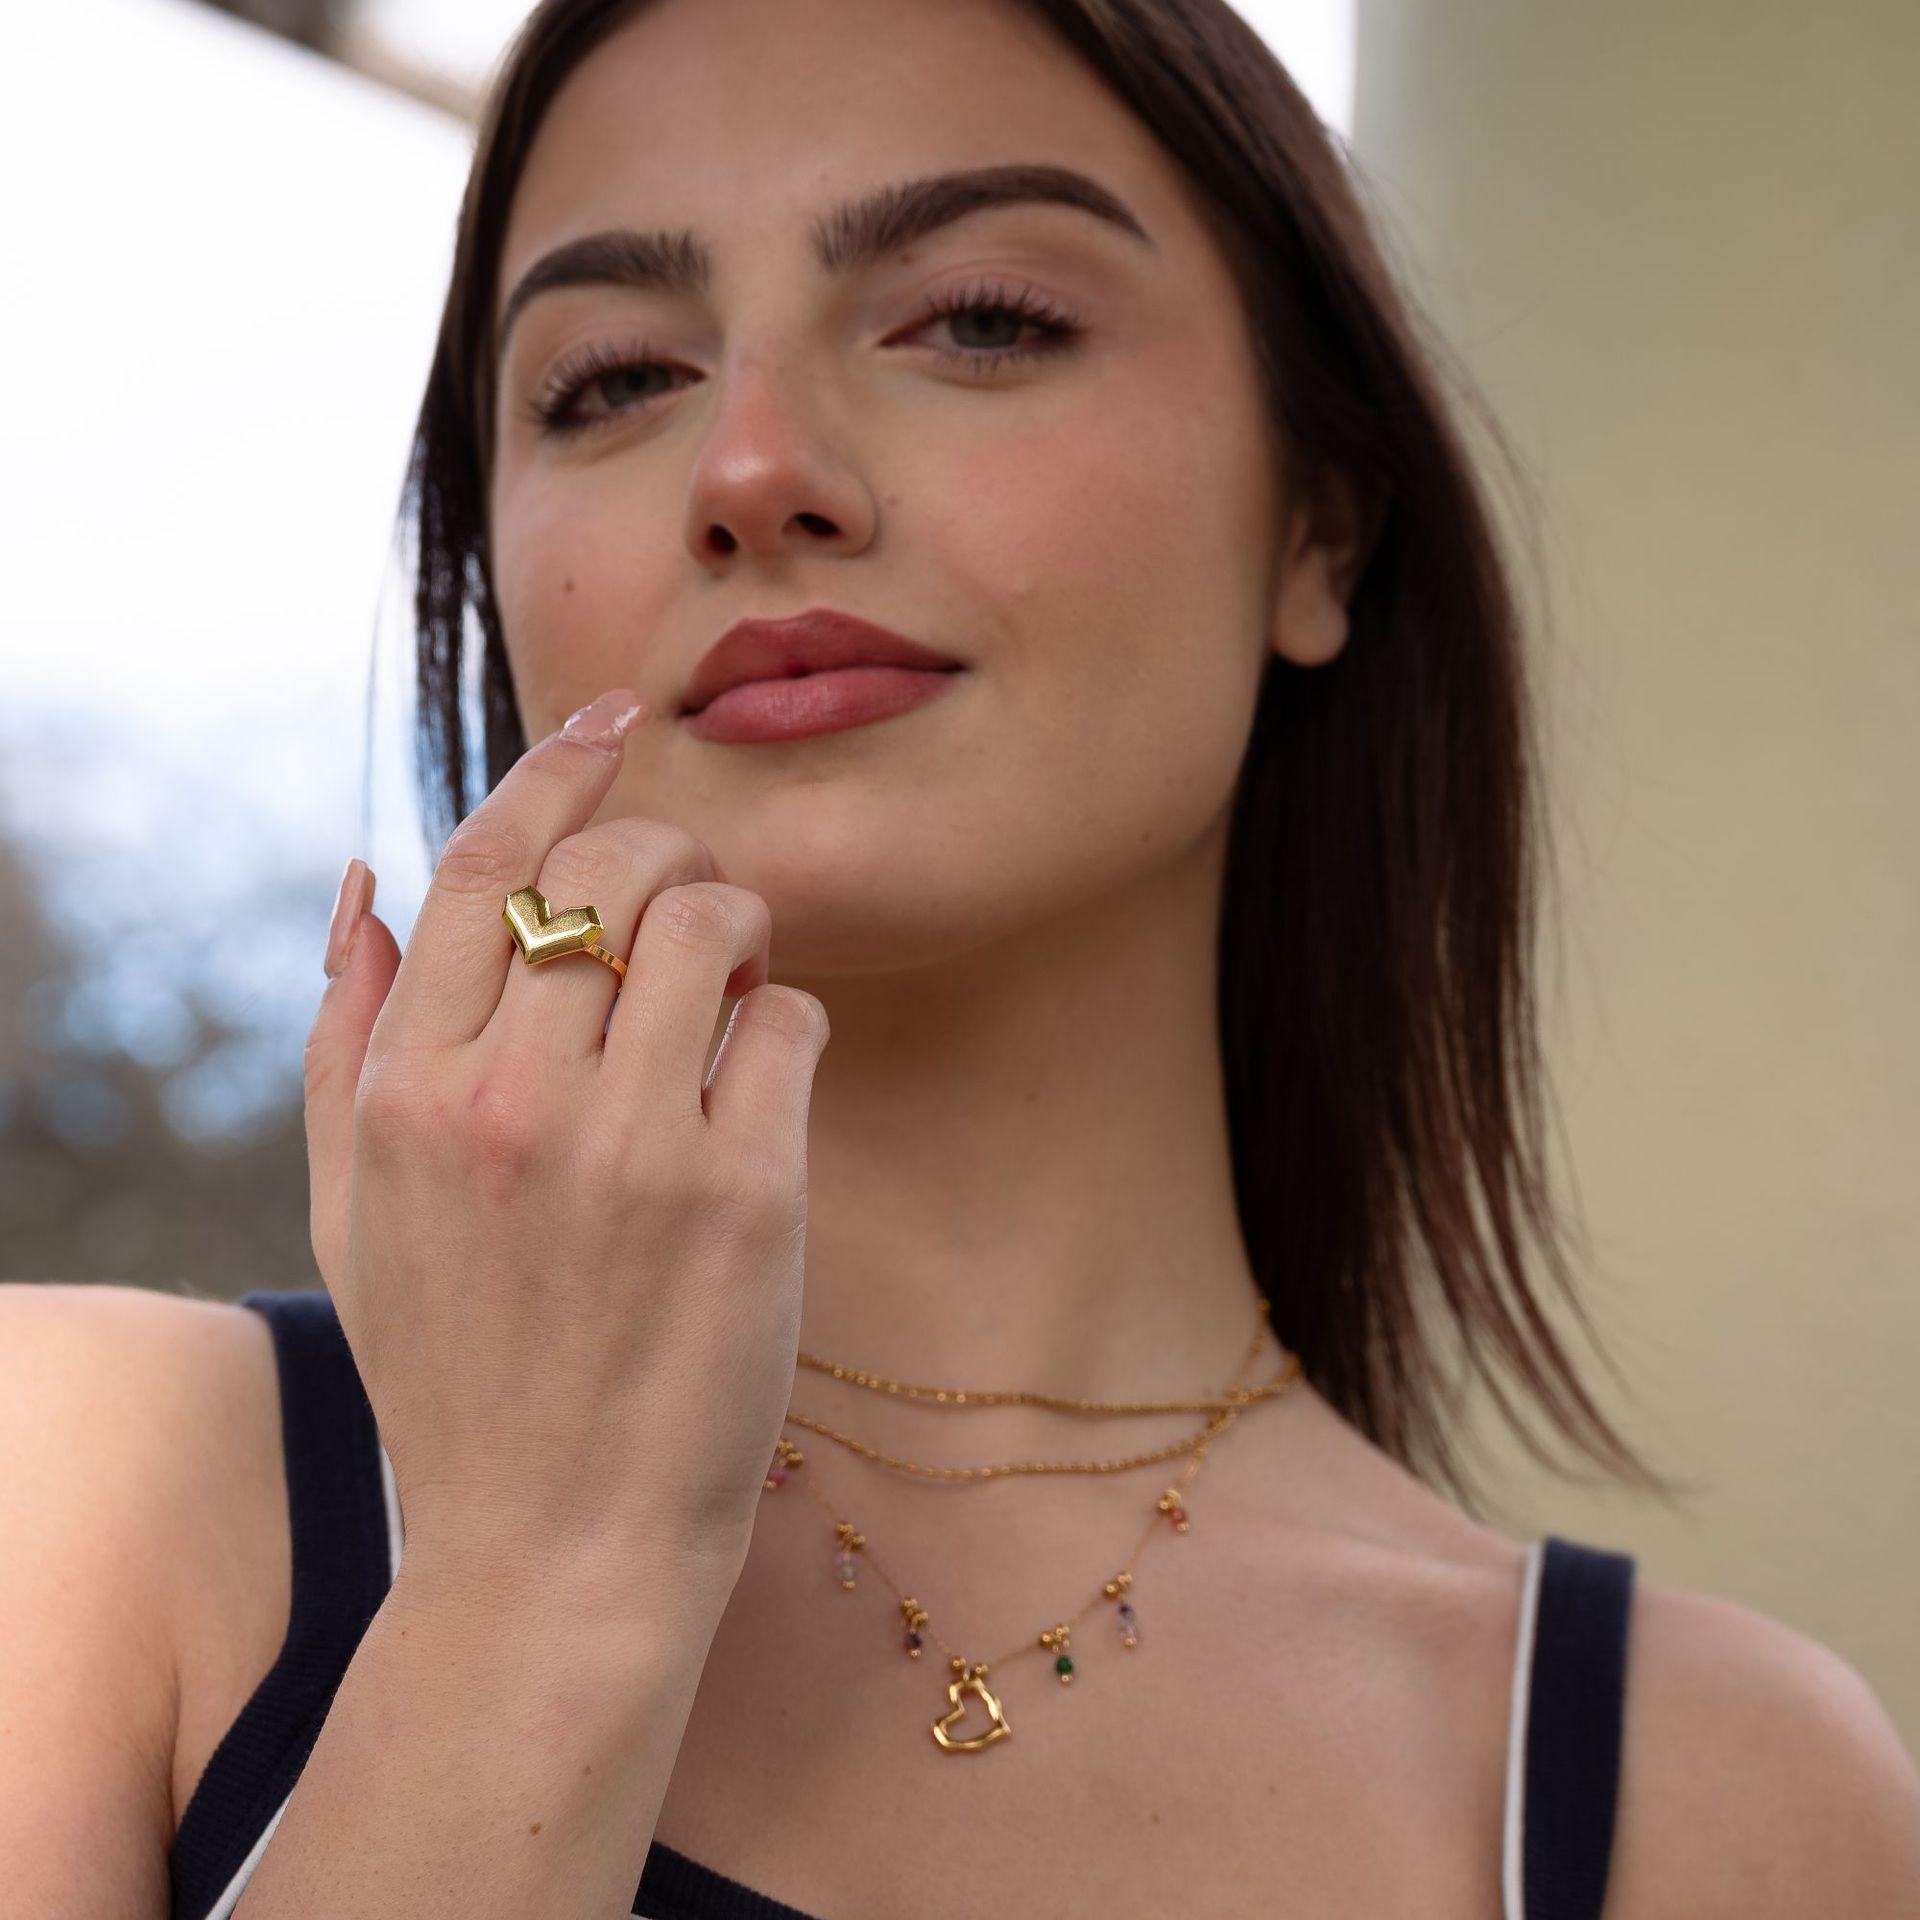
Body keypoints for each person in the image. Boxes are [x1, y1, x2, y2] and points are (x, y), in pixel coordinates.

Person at [7, 0, 1919, 1915]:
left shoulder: (1715, 1802)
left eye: (983, 320)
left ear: (1321, 525)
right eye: (610, 378)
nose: (753, 466)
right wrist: (537, 1583)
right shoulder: (77, 1491)